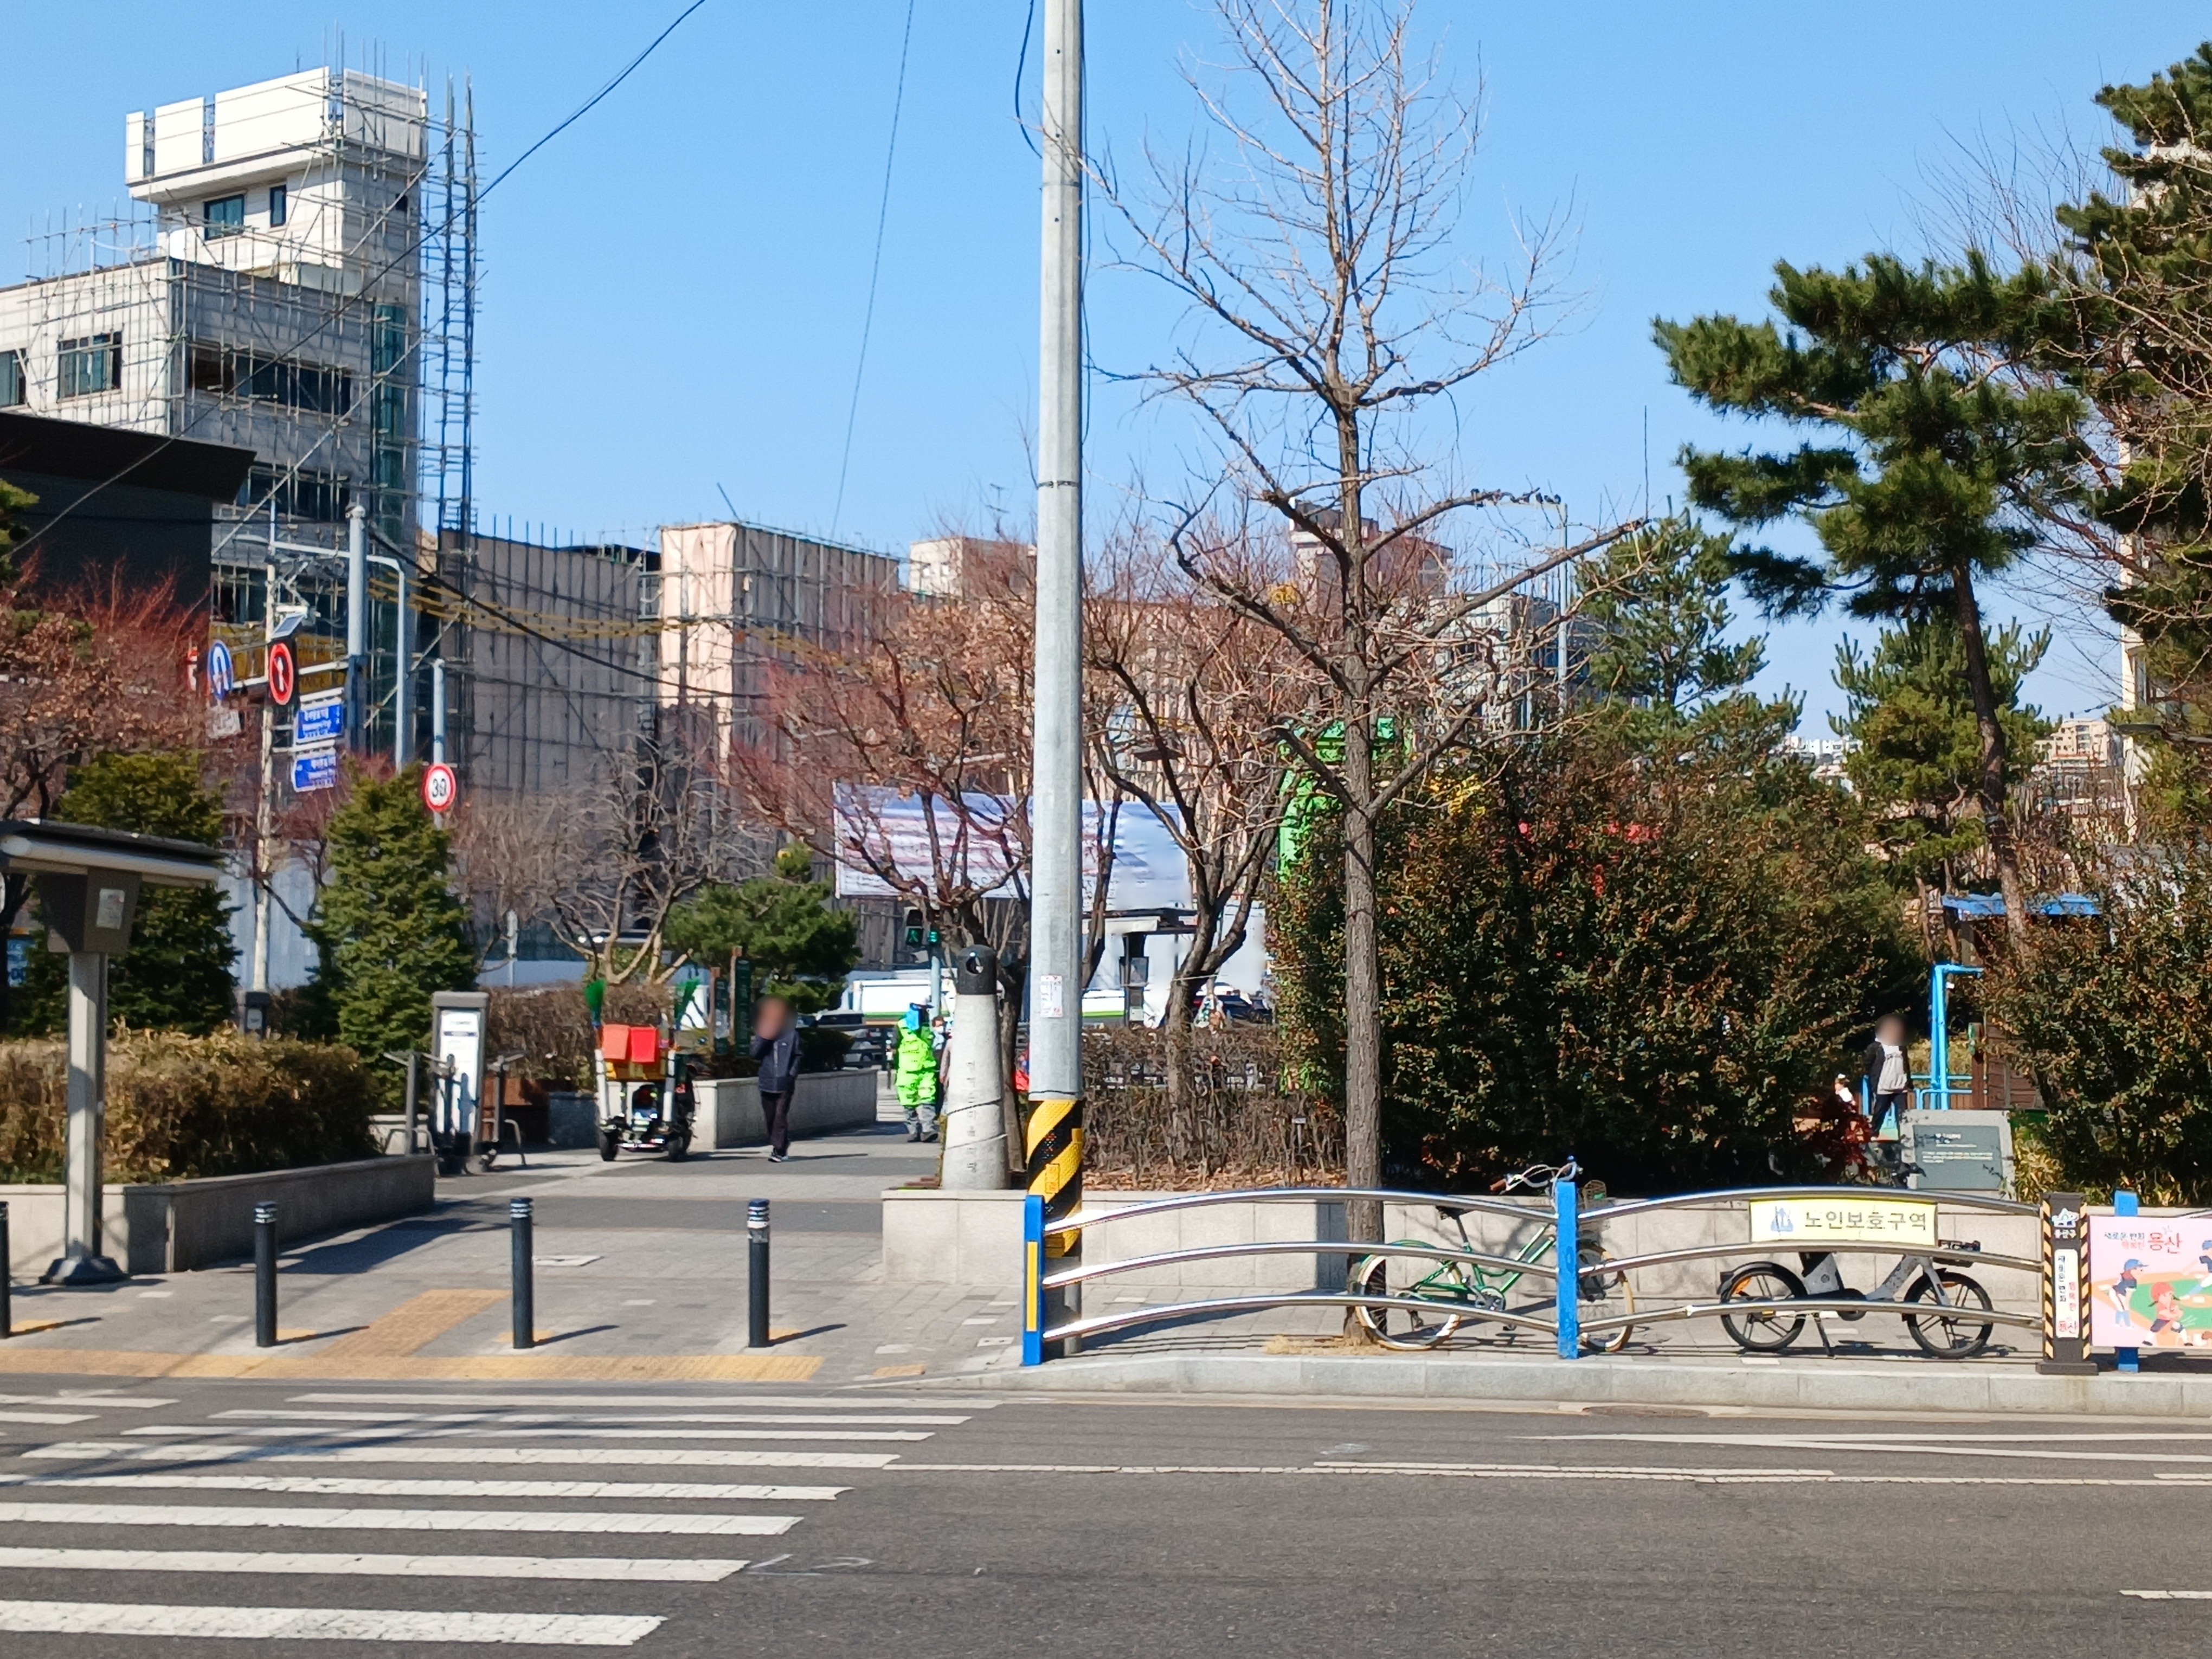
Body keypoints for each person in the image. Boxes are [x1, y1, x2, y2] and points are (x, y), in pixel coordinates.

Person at [750, 996, 801, 1162]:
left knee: (780, 1116)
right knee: (770, 1117)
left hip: (785, 1083)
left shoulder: (792, 1035)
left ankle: (778, 1151)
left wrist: (791, 1074)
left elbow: (798, 1055)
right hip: (767, 1081)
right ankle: (782, 1145)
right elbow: (755, 1054)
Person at [896, 1003, 940, 1143]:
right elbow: (894, 1045)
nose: (925, 1011)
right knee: (908, 1101)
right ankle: (914, 1131)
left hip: (926, 1069)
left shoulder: (927, 1025)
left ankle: (927, 1130)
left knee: (928, 1099)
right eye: (923, 1008)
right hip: (907, 1070)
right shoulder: (901, 1025)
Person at [1861, 1014, 1911, 1139]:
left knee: (1903, 1114)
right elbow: (1867, 1063)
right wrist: (1873, 1080)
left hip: (1900, 1086)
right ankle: (1873, 1134)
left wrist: (1909, 1081)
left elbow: (1906, 1064)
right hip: (1883, 1086)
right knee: (1880, 1112)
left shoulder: (1901, 1046)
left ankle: (1904, 1136)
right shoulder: (1875, 1047)